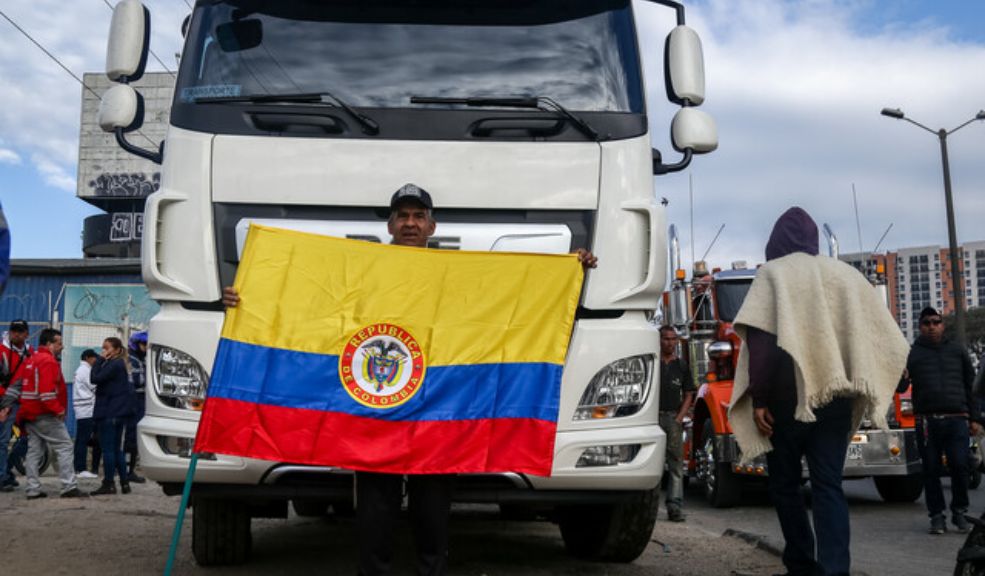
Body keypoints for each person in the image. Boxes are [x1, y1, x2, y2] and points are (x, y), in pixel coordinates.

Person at [222, 183, 596, 575]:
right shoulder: (365, 271)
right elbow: (312, 302)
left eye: (419, 216)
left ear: (432, 227)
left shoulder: (456, 274)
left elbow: (505, 299)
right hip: (375, 410)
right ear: (390, 225)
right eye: (403, 216)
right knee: (374, 508)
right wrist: (246, 296)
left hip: (436, 410)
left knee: (432, 510)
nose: (411, 223)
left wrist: (567, 270)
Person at [728, 207, 908, 576]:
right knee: (828, 485)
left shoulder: (773, 275)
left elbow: (761, 342)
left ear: (774, 242)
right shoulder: (846, 276)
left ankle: (801, 564)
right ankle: (834, 569)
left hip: (784, 403)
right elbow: (875, 330)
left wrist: (759, 400)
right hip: (835, 399)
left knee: (785, 486)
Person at [900, 306, 976, 535]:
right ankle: (937, 516)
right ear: (920, 327)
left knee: (960, 465)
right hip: (926, 422)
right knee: (930, 469)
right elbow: (901, 387)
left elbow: (971, 386)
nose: (932, 327)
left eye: (936, 322)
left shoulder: (957, 351)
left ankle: (960, 511)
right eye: (926, 323)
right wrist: (900, 376)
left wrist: (976, 418)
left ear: (942, 325)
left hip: (956, 419)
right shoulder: (911, 354)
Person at [19, 328, 86, 499]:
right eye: (59, 343)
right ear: (49, 344)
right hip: (44, 414)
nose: (62, 347)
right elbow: (46, 394)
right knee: (65, 445)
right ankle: (68, 486)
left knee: (34, 451)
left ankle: (32, 489)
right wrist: (59, 410)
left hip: (29, 413)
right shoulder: (48, 362)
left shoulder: (31, 359)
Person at [658, 325, 695, 522]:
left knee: (675, 464)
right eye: (666, 338)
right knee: (651, 463)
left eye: (673, 339)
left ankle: (674, 506)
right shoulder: (652, 363)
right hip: (652, 419)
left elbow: (689, 393)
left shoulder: (681, 366)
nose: (669, 342)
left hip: (672, 419)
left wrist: (680, 417)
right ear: (659, 340)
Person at [90, 336, 135, 495]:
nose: (103, 351)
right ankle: (124, 483)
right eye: (103, 348)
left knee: (108, 449)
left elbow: (94, 378)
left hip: (109, 411)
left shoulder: (114, 364)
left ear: (116, 350)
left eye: (107, 348)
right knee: (117, 450)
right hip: (118, 411)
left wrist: (99, 360)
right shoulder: (121, 365)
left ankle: (109, 482)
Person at [1, 319, 33, 491]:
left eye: (20, 331)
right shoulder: (2, 351)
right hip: (6, 403)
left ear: (27, 333)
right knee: (3, 441)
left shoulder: (30, 351)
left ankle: (6, 470)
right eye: (14, 330)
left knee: (29, 438)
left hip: (24, 403)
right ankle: (2, 477)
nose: (17, 334)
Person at [124, 331, 148, 484]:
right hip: (134, 399)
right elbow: (138, 380)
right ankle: (127, 471)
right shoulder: (132, 360)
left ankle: (130, 470)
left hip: (140, 399)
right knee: (131, 435)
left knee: (135, 435)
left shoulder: (140, 359)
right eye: (143, 344)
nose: (146, 347)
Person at [73, 349, 100, 479]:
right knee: (83, 440)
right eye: (95, 358)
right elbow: (94, 386)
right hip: (86, 409)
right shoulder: (85, 370)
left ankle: (80, 468)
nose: (96, 360)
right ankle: (80, 468)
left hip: (84, 409)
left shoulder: (82, 370)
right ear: (88, 358)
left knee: (82, 440)